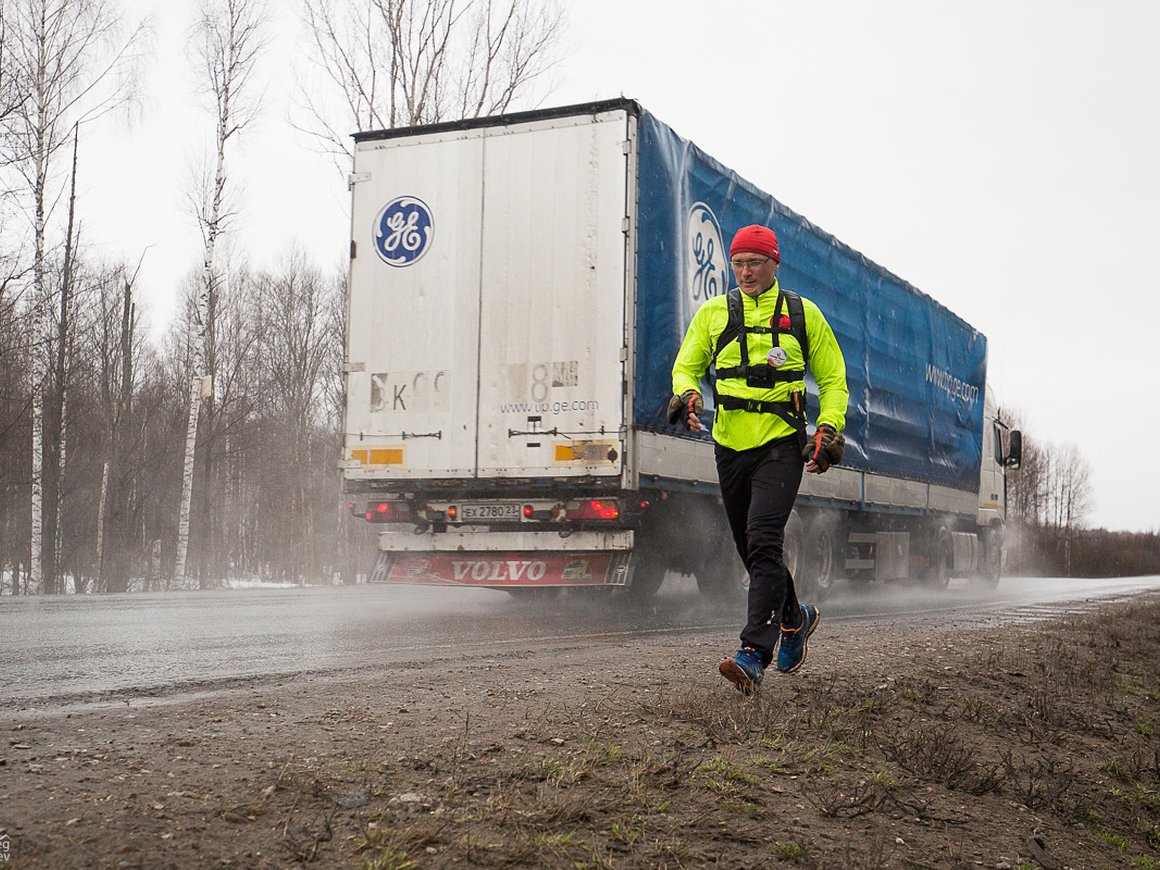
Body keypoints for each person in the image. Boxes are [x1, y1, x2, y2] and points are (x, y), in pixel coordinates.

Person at [669, 224, 849, 695]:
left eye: (755, 263)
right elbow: (686, 365)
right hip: (729, 446)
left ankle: (753, 653)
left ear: (774, 264)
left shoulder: (803, 315)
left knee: (764, 538)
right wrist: (686, 393)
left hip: (780, 446)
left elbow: (834, 380)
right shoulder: (713, 313)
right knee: (752, 551)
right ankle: (795, 618)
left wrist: (829, 428)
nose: (745, 272)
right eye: (738, 264)